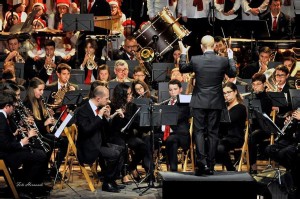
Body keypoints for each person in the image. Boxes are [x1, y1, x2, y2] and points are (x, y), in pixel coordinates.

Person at [178, 35, 236, 175]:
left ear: (202, 46)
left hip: (199, 101)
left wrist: (184, 52)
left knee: (199, 131)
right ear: (215, 46)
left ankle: (202, 163)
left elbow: (182, 68)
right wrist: (230, 57)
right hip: (216, 101)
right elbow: (233, 72)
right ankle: (210, 165)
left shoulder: (196, 60)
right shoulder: (222, 61)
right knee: (213, 133)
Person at [0, 89, 50, 197]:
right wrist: (22, 142)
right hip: (5, 155)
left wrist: (15, 134)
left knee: (36, 153)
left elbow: (3, 138)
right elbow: (4, 145)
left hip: (7, 151)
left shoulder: (3, 116)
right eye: (13, 106)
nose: (14, 109)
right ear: (7, 106)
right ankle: (25, 187)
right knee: (40, 155)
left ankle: (29, 186)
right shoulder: (1, 118)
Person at [75, 85, 124, 193]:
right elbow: (86, 130)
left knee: (121, 149)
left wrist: (106, 117)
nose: (109, 100)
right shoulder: (82, 110)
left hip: (99, 142)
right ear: (98, 99)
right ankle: (107, 182)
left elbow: (104, 130)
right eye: (106, 98)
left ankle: (111, 180)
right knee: (114, 153)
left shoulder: (98, 109)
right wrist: (100, 116)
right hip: (88, 146)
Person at [23, 77, 68, 180]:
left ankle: (54, 168)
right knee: (49, 144)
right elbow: (32, 125)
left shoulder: (40, 101)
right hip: (35, 135)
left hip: (43, 133)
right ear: (32, 89)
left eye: (43, 90)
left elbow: (42, 119)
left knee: (64, 142)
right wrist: (44, 123)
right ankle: (43, 171)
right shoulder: (27, 103)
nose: (42, 92)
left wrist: (48, 116)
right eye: (40, 90)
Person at [217, 82, 247, 171]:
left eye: (229, 92)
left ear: (235, 92)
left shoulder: (240, 108)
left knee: (220, 147)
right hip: (222, 137)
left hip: (235, 137)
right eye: (224, 93)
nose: (226, 95)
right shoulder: (224, 107)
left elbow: (229, 121)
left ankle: (230, 169)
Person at [163, 79, 191, 171]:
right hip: (165, 132)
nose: (173, 92)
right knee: (148, 139)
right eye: (170, 90)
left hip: (179, 133)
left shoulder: (185, 102)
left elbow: (178, 117)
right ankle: (149, 170)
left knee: (171, 139)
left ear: (180, 89)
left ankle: (173, 170)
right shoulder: (165, 103)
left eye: (175, 89)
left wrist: (164, 115)